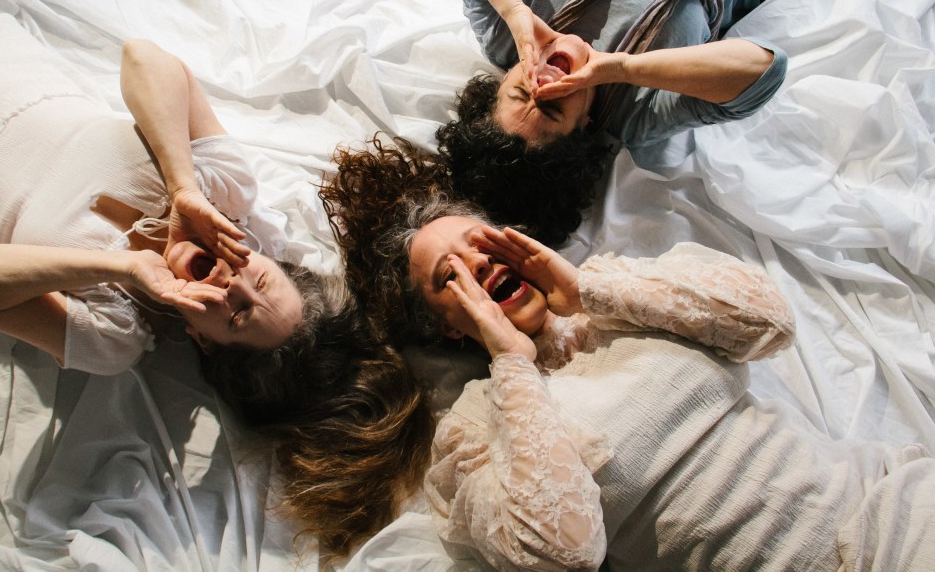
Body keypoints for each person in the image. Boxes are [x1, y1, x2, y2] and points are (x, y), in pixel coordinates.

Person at [0, 0, 433, 558]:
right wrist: (183, 187)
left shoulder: (111, 335)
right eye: (259, 281)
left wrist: (124, 267)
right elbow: (144, 58)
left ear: (206, 340)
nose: (230, 283)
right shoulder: (222, 191)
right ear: (266, 257)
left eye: (236, 312)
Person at [321, 138, 935, 570]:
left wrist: (585, 288)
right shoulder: (473, 430)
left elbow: (769, 323)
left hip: (895, 508)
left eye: (478, 242)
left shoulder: (617, 294)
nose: (476, 263)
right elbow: (561, 552)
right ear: (446, 327)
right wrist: (512, 362)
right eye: (448, 277)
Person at [434, 0, 844, 245]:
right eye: (552, 107)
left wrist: (512, 6)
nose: (543, 82)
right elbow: (764, 69)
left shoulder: (506, 35)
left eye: (521, 92)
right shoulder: (634, 113)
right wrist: (624, 67)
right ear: (584, 131)